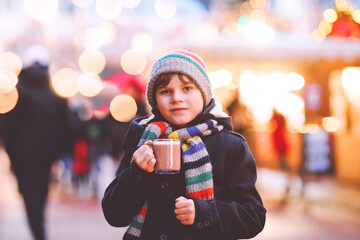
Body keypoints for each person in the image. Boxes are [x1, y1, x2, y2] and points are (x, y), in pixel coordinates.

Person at [102, 50, 266, 240]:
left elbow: (254, 216)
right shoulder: (142, 139)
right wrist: (137, 173)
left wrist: (203, 213)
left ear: (203, 93)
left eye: (187, 88)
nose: (176, 98)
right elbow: (114, 214)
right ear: (155, 99)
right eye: (165, 91)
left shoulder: (230, 145)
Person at [0, 45, 69, 240]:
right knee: (40, 194)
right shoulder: (56, 95)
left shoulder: (17, 92)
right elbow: (64, 128)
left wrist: (11, 153)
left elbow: (6, 127)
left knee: (29, 195)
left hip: (23, 157)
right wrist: (57, 153)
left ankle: (38, 231)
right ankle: (39, 230)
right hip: (46, 157)